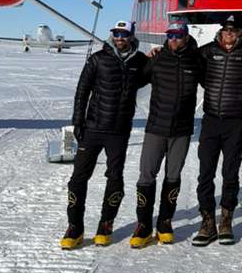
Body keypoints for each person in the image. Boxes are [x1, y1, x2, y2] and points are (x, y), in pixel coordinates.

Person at [60, 20, 149, 249]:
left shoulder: (140, 61)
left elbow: (155, 74)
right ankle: (74, 227)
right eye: (116, 33)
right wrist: (77, 122)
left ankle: (106, 224)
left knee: (115, 177)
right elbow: (82, 91)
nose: (120, 37)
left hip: (118, 131)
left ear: (131, 36)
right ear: (112, 36)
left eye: (124, 34)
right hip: (92, 128)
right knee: (78, 178)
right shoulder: (98, 59)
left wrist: (158, 55)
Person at [192, 13, 242, 247]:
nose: (229, 34)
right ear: (221, 31)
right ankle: (207, 221)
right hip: (211, 120)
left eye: (233, 30)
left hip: (236, 122)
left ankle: (226, 220)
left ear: (240, 33)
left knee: (230, 173)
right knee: (206, 172)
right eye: (226, 29)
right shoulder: (207, 51)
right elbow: (184, 59)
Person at [130, 17, 204, 248]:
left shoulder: (196, 60)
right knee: (146, 176)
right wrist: (139, 55)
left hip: (181, 131)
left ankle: (165, 222)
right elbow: (134, 79)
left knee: (173, 177)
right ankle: (143, 224)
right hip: (156, 128)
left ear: (186, 36)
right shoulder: (157, 58)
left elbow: (215, 81)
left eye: (178, 36)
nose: (173, 39)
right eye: (169, 35)